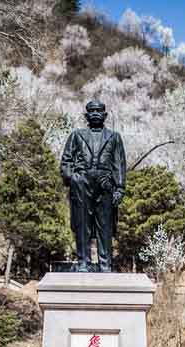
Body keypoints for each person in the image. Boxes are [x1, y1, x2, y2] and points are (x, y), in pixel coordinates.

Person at [60, 100, 127, 272]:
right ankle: (84, 262)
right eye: (92, 110)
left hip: (105, 183)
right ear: (86, 115)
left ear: (105, 115)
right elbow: (66, 160)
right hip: (82, 183)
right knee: (82, 224)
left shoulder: (114, 137)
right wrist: (72, 177)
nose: (96, 113)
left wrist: (119, 188)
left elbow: (119, 163)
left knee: (105, 225)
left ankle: (105, 264)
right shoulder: (77, 135)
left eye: (99, 110)